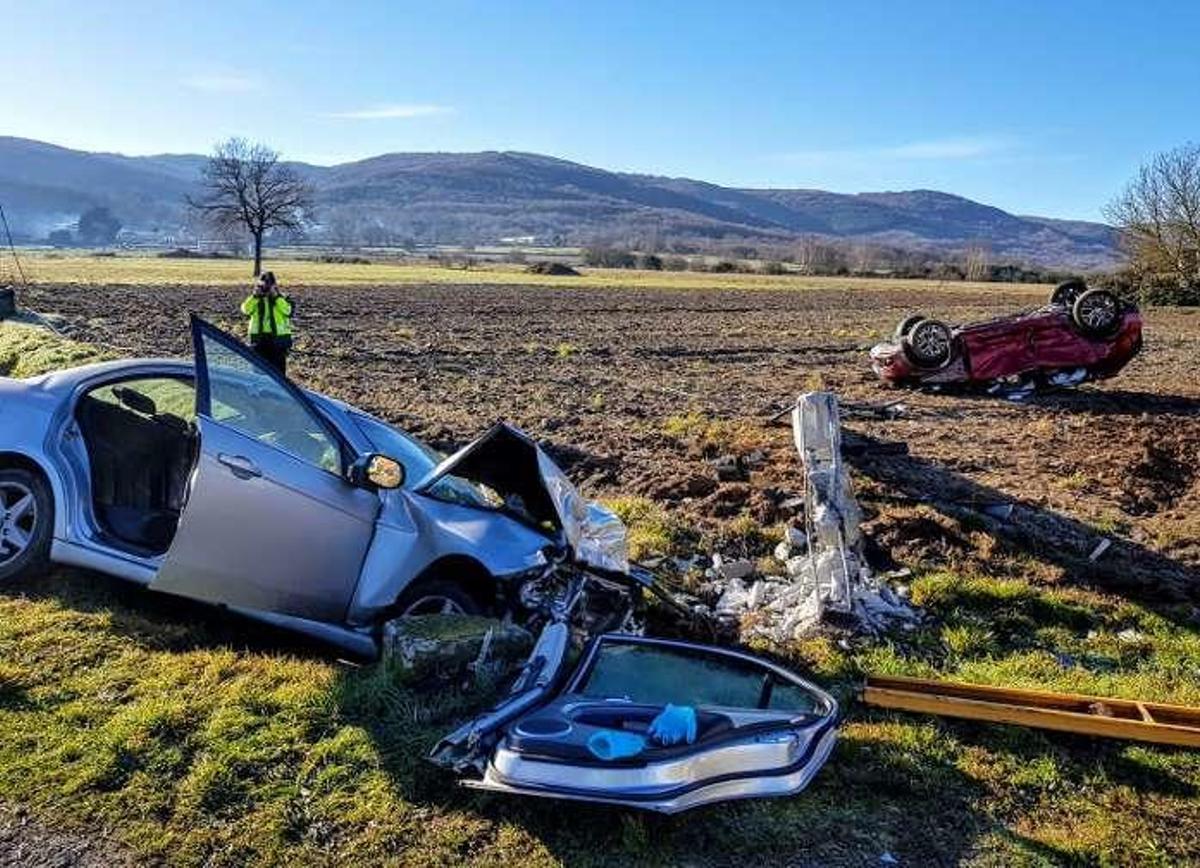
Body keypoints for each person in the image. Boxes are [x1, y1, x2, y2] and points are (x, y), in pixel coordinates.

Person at [240, 272, 294, 375]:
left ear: (275, 285)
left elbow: (288, 311)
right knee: (259, 373)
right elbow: (245, 310)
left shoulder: (283, 298)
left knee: (278, 374)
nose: (266, 288)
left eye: (269, 285)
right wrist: (255, 296)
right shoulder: (256, 299)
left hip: (278, 340)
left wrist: (276, 297)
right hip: (259, 340)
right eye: (263, 285)